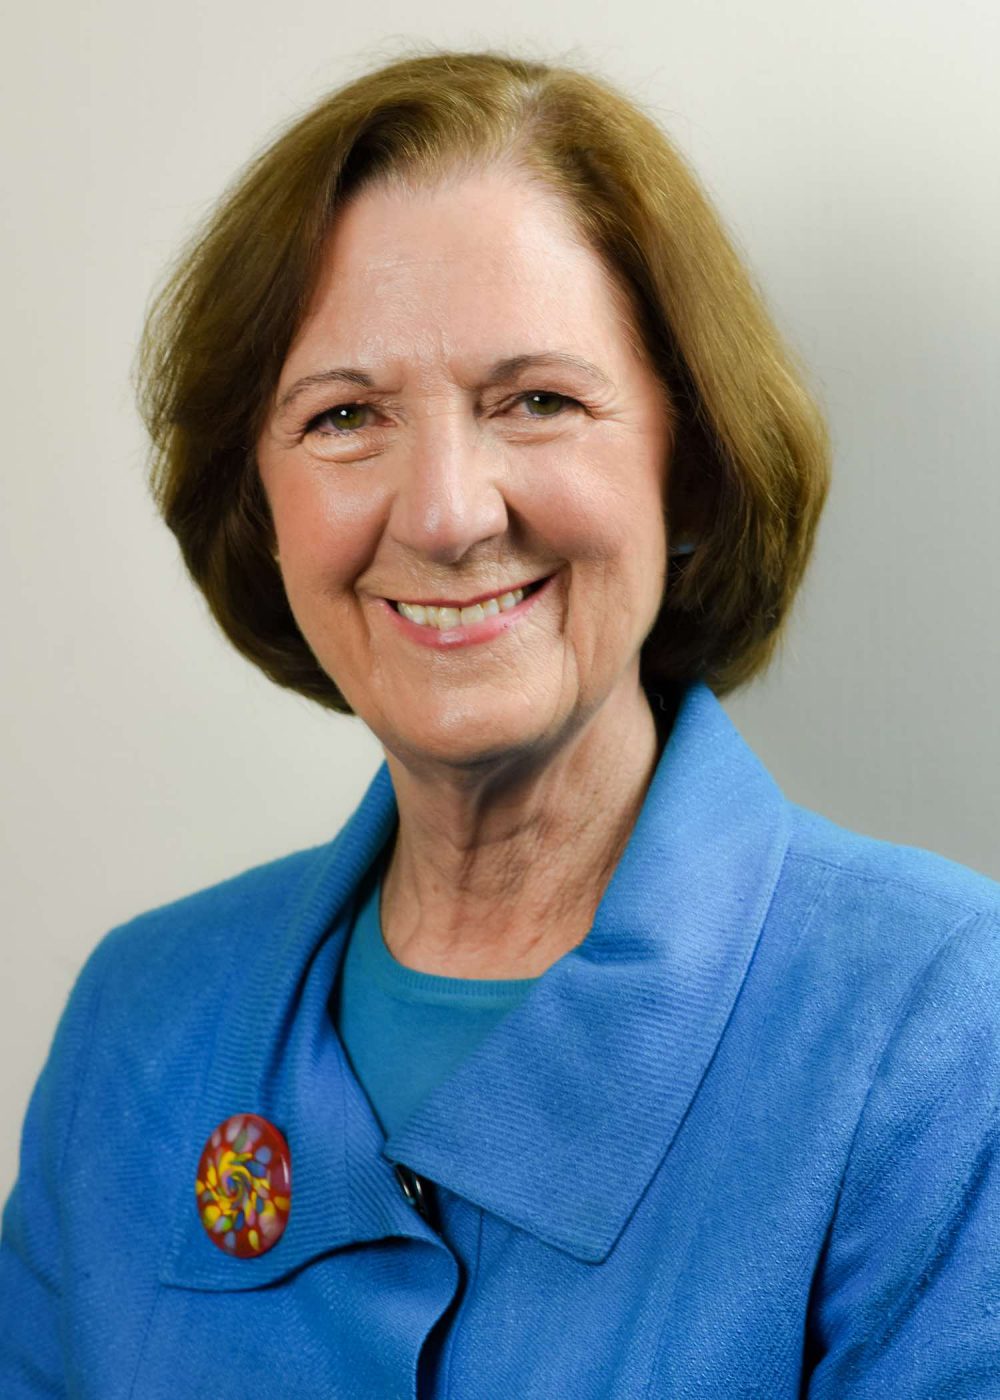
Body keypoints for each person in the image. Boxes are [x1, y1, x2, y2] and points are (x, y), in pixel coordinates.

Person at [1, 46, 998, 1398]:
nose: (447, 513)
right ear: (262, 505)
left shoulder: (942, 1027)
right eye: (345, 416)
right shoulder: (136, 1027)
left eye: (538, 402)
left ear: (690, 466)